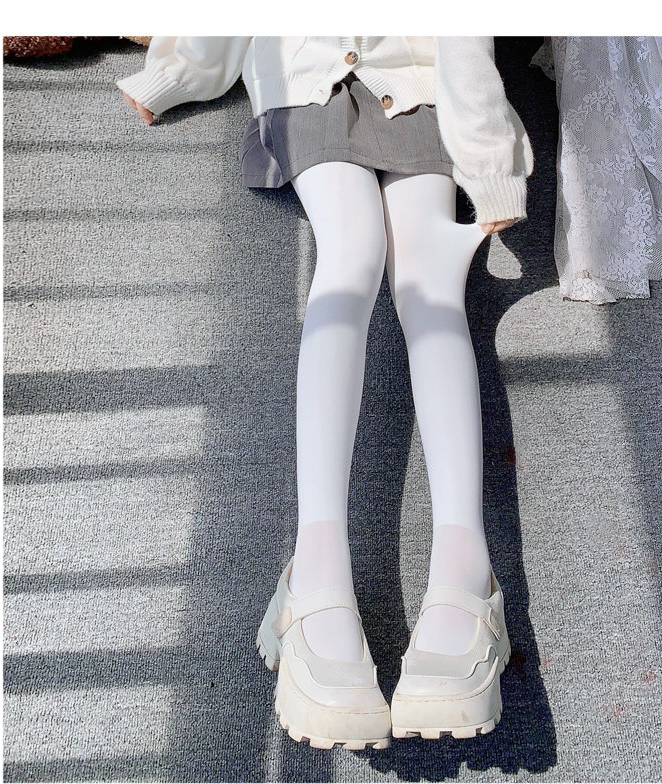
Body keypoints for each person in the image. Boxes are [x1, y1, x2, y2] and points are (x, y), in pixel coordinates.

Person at [117, 36, 534, 749]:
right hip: (308, 77)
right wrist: (176, 72)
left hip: (422, 82)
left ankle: (461, 569)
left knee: (429, 275)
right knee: (352, 254)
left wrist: (492, 166)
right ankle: (322, 568)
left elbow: (465, 35)